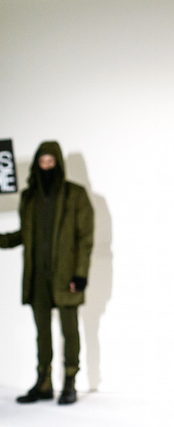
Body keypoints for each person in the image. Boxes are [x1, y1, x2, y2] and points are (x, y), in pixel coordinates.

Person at [0, 141, 94, 405]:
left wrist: (80, 275)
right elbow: (25, 234)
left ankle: (70, 381)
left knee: (69, 330)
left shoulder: (75, 194)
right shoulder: (29, 197)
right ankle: (43, 382)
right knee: (42, 332)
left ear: (59, 163)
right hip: (37, 276)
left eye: (51, 162)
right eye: (42, 162)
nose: (46, 167)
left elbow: (85, 238)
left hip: (66, 276)